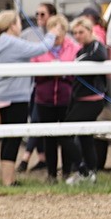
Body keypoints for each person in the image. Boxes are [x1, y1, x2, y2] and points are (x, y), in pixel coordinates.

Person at [0, 10, 57, 186]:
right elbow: (39, 49)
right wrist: (52, 34)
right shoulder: (11, 42)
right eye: (18, 22)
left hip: (1, 95)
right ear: (12, 25)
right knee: (13, 138)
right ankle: (8, 180)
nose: (21, 26)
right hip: (15, 96)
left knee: (8, 138)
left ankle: (8, 178)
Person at [30, 14, 78, 183]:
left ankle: (66, 172)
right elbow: (34, 70)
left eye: (60, 30)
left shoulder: (74, 48)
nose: (57, 35)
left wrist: (62, 73)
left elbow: (77, 72)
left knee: (67, 137)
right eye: (53, 30)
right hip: (45, 99)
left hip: (66, 98)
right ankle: (51, 174)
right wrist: (50, 73)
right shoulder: (40, 48)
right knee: (49, 138)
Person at [64, 15, 108, 184]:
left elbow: (100, 55)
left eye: (81, 32)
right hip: (80, 98)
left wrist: (75, 62)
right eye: (75, 33)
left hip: (92, 99)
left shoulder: (96, 46)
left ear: (90, 31)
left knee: (65, 133)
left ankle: (83, 170)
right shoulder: (82, 50)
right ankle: (90, 172)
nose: (77, 36)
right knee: (85, 137)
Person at [19, 2, 56, 172]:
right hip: (33, 84)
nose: (39, 18)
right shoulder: (29, 34)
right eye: (37, 14)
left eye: (43, 14)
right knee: (36, 118)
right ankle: (42, 157)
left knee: (36, 119)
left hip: (50, 85)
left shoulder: (58, 33)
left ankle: (25, 158)